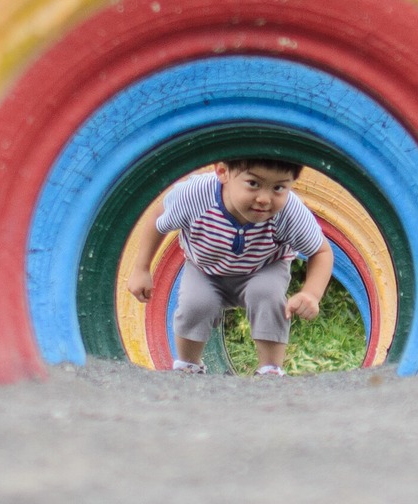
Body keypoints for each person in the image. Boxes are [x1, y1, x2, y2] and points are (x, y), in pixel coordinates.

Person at [127, 158, 333, 376]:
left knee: (267, 294)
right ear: (223, 172)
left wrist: (311, 293)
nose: (264, 199)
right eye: (253, 183)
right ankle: (188, 367)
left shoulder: (290, 211)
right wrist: (142, 268)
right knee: (195, 304)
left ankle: (270, 371)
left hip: (264, 267)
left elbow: (321, 251)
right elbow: (158, 218)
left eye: (279, 187)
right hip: (205, 269)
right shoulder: (195, 195)